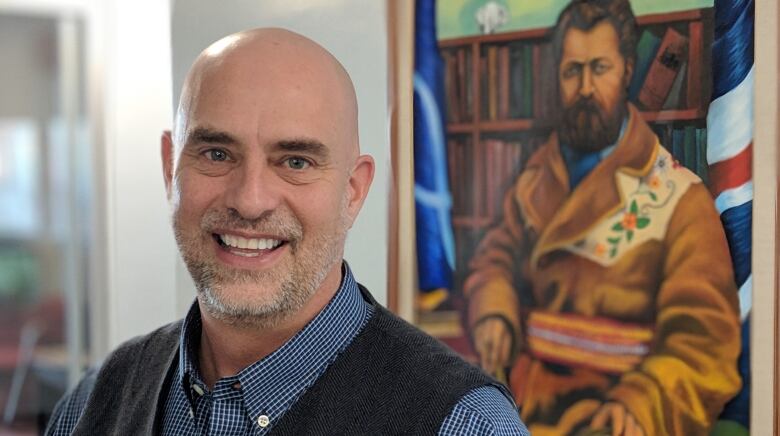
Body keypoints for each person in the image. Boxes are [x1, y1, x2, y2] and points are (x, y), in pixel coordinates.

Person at [46, 28, 529, 435]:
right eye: (217, 154)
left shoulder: (463, 423)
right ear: (171, 169)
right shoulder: (91, 405)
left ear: (353, 191)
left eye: (295, 161)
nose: (249, 200)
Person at [464, 1, 741, 435]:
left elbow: (704, 345)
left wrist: (642, 404)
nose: (586, 88)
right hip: (518, 411)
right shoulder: (537, 177)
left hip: (611, 419)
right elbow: (496, 257)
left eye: (600, 68)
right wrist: (495, 311)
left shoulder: (682, 200)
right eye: (573, 71)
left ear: (627, 71)